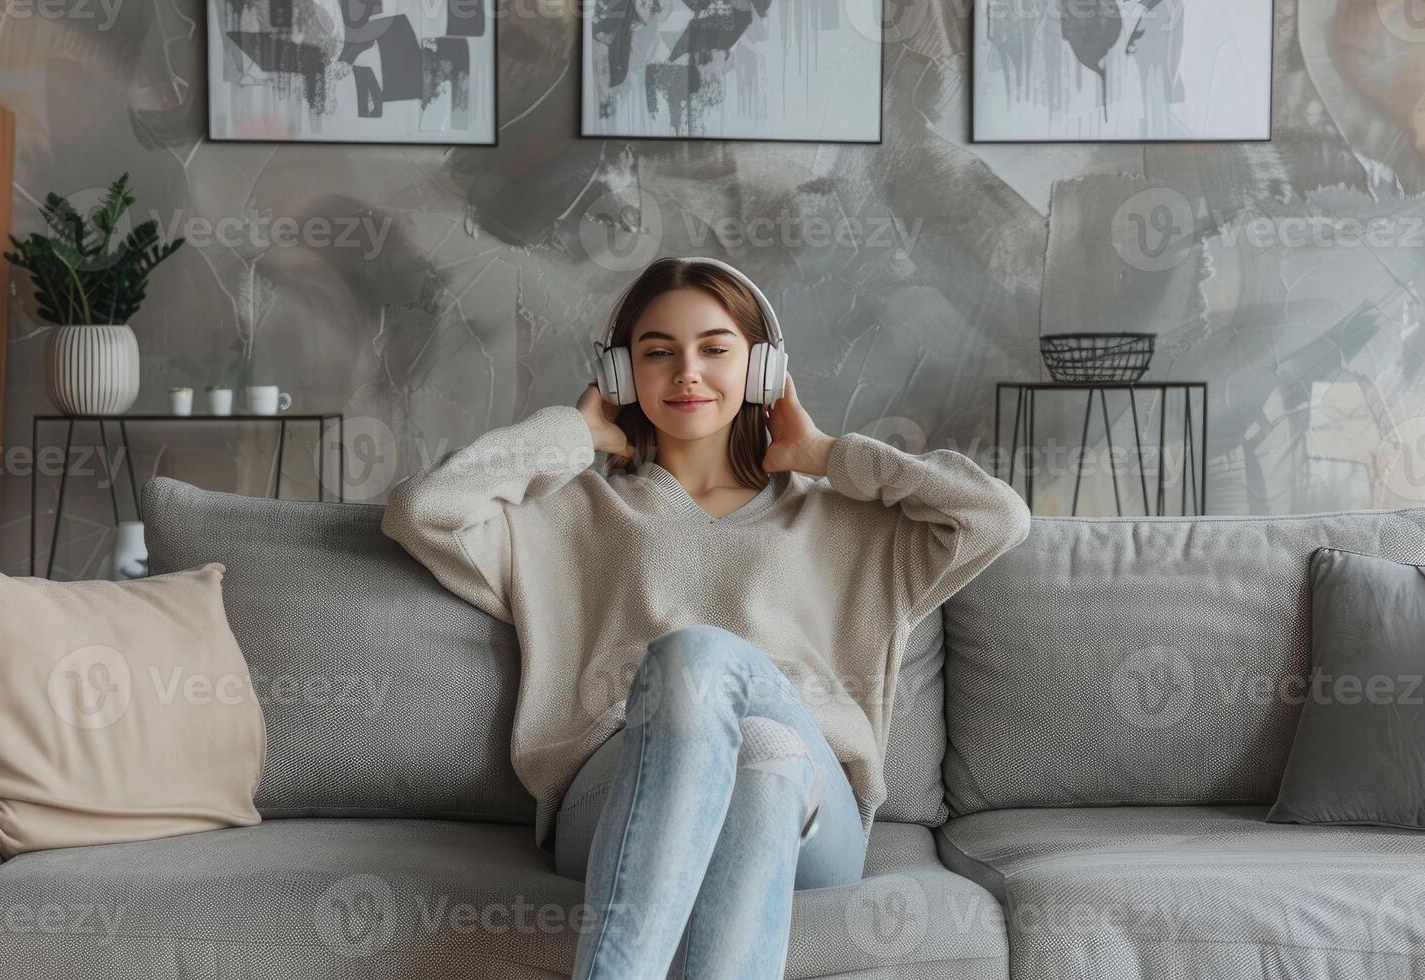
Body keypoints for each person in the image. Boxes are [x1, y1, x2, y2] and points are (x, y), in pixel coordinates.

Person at [380, 256, 1032, 979]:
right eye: (658, 353)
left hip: (814, 823)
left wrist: (827, 455)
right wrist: (571, 435)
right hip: (615, 800)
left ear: (762, 370)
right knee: (735, 717)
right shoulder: (569, 515)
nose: (687, 372)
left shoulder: (844, 521)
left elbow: (997, 517)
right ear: (622, 376)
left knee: (731, 698)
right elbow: (422, 510)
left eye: (715, 349)